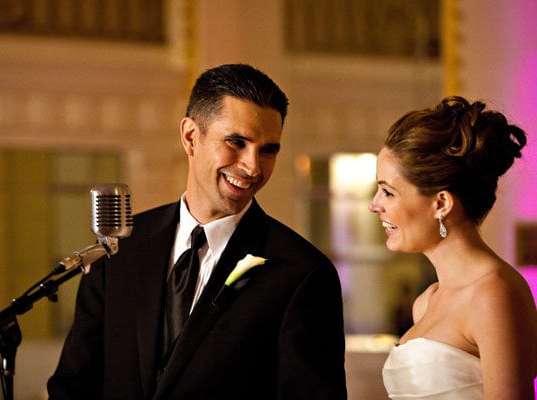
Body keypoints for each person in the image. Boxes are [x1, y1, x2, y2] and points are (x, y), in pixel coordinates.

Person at [47, 63, 348, 399]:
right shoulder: (119, 248)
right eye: (236, 142)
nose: (252, 166)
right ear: (191, 137)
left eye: (268, 150)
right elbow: (73, 387)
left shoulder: (303, 273)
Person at [369, 95, 537, 399]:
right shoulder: (426, 302)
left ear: (441, 203)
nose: (374, 205)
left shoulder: (493, 293)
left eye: (387, 192)